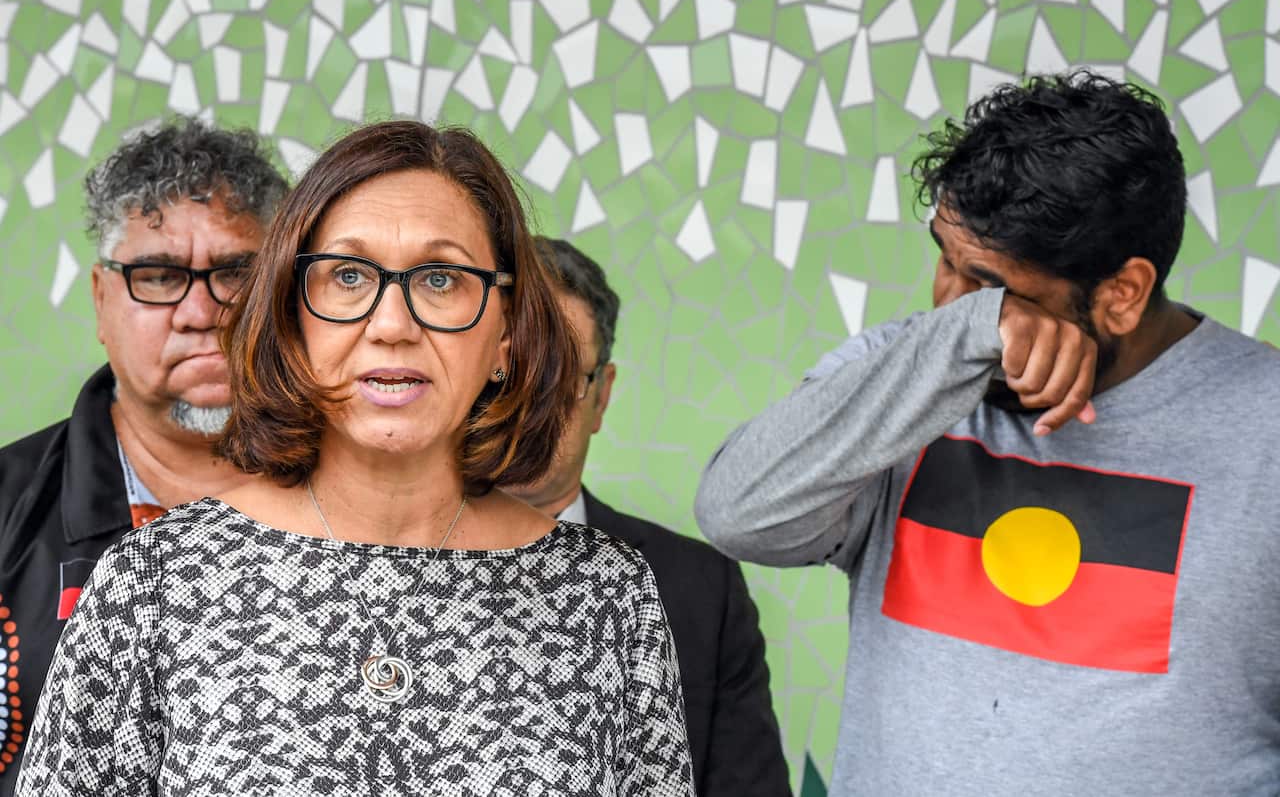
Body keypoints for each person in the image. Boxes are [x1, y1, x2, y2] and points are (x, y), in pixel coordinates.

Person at [17, 120, 694, 795]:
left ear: (505, 335)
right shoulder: (155, 582)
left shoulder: (607, 596)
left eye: (440, 278)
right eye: (348, 275)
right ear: (291, 318)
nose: (392, 324)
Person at [694, 71, 1280, 795]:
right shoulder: (908, 374)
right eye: (944, 259)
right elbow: (737, 514)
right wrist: (973, 329)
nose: (949, 301)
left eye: (989, 285)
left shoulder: (1264, 425)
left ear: (1122, 294)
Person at [0, 118, 287, 794]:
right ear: (102, 300)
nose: (201, 311)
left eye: (236, 272)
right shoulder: (7, 512)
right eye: (158, 276)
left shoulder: (373, 503)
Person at [504, 237, 792, 797]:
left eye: (560, 380)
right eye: (512, 374)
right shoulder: (390, 567)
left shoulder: (701, 590)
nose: (531, 408)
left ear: (601, 396)